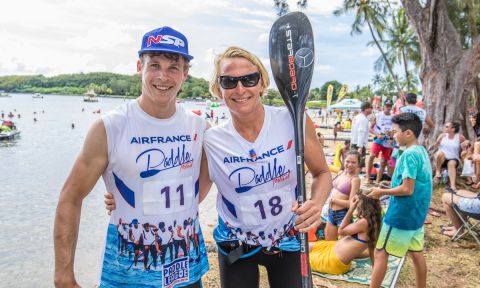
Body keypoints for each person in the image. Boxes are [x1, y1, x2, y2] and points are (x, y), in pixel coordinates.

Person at [54, 26, 211, 288]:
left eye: (173, 67)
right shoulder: (110, 127)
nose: (163, 76)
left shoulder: (200, 129)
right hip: (127, 276)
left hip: (185, 270)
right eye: (154, 65)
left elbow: (203, 185)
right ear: (140, 67)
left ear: (185, 73)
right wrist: (63, 276)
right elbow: (70, 198)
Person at [204, 46, 332, 288]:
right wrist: (120, 198)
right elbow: (189, 189)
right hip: (237, 242)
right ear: (218, 89)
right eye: (229, 81)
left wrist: (316, 203)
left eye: (249, 79)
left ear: (262, 83)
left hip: (289, 237)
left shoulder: (293, 121)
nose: (240, 89)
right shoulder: (210, 140)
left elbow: (322, 173)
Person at [367, 112, 432, 288]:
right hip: (417, 215)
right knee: (416, 253)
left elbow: (407, 189)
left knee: (381, 252)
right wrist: (389, 185)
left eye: (395, 131)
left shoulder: (408, 155)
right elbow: (415, 183)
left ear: (408, 133)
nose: (393, 135)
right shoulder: (421, 151)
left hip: (401, 215)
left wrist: (381, 192)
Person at [310, 192, 382, 276]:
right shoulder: (374, 220)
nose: (354, 203)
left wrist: (350, 209)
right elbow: (371, 247)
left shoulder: (364, 222)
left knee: (300, 259)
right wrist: (374, 266)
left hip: (333, 261)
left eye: (355, 201)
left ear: (364, 205)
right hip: (332, 247)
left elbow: (341, 231)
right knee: (306, 246)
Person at [325, 151, 361, 241]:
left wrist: (333, 200)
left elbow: (351, 204)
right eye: (348, 161)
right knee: (329, 244)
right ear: (343, 161)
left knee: (343, 248)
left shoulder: (355, 180)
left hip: (343, 215)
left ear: (358, 164)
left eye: (353, 162)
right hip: (330, 212)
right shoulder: (340, 173)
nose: (350, 165)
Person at [431, 122, 466, 190]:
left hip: (453, 158)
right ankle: (437, 172)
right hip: (441, 158)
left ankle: (453, 186)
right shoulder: (442, 135)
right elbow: (435, 146)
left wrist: (466, 143)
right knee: (440, 153)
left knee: (451, 164)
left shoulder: (459, 137)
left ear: (453, 129)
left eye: (447, 126)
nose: (445, 128)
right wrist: (438, 141)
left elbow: (467, 144)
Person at [366, 99, 394, 183]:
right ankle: (368, 178)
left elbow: (396, 129)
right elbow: (370, 128)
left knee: (384, 161)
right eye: (387, 106)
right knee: (371, 156)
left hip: (388, 140)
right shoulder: (377, 115)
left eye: (390, 106)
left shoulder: (394, 117)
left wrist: (391, 133)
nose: (388, 107)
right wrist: (377, 134)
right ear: (383, 106)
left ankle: (377, 182)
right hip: (378, 139)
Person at [351, 102, 373, 168]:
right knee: (358, 165)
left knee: (353, 162)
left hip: (354, 142)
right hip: (359, 144)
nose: (371, 109)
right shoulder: (363, 119)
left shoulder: (357, 117)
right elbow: (361, 132)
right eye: (370, 108)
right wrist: (360, 147)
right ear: (366, 109)